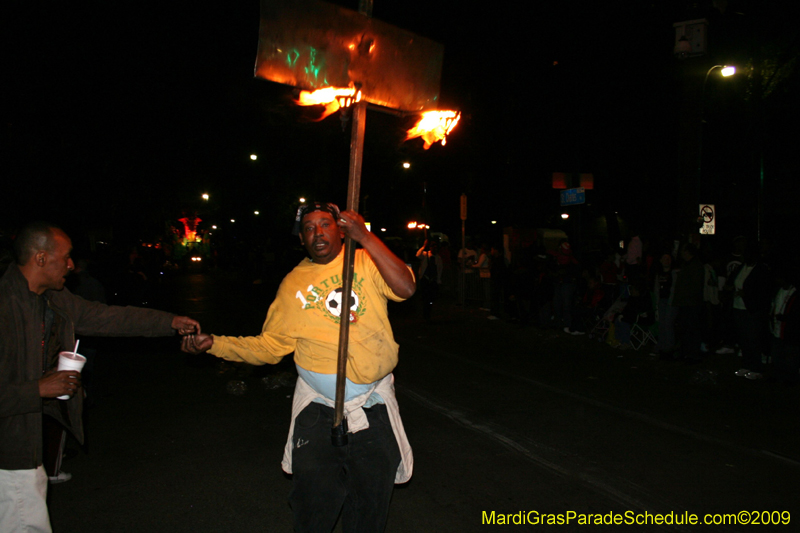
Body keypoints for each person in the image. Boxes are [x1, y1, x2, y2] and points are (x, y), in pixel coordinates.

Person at [182, 202, 415, 533]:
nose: (317, 232)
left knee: (369, 510)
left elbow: (405, 288)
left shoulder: (366, 261)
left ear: (340, 229)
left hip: (372, 412)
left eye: (325, 224)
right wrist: (215, 343)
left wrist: (365, 237)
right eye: (309, 228)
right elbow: (269, 347)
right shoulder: (293, 284)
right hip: (319, 413)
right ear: (302, 239)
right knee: (312, 509)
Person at [0, 221, 200, 533]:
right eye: (65, 257)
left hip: (24, 442)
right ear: (40, 258)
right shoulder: (5, 305)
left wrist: (169, 321)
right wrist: (37, 388)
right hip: (8, 455)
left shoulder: (51, 297)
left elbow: (106, 317)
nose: (71, 265)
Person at [416, 239, 442, 320]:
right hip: (425, 279)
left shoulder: (438, 258)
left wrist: (438, 280)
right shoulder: (425, 254)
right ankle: (425, 314)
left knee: (431, 298)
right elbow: (418, 255)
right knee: (425, 297)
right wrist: (424, 246)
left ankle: (428, 312)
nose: (435, 249)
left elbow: (439, 269)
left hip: (433, 280)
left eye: (436, 248)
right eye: (433, 247)